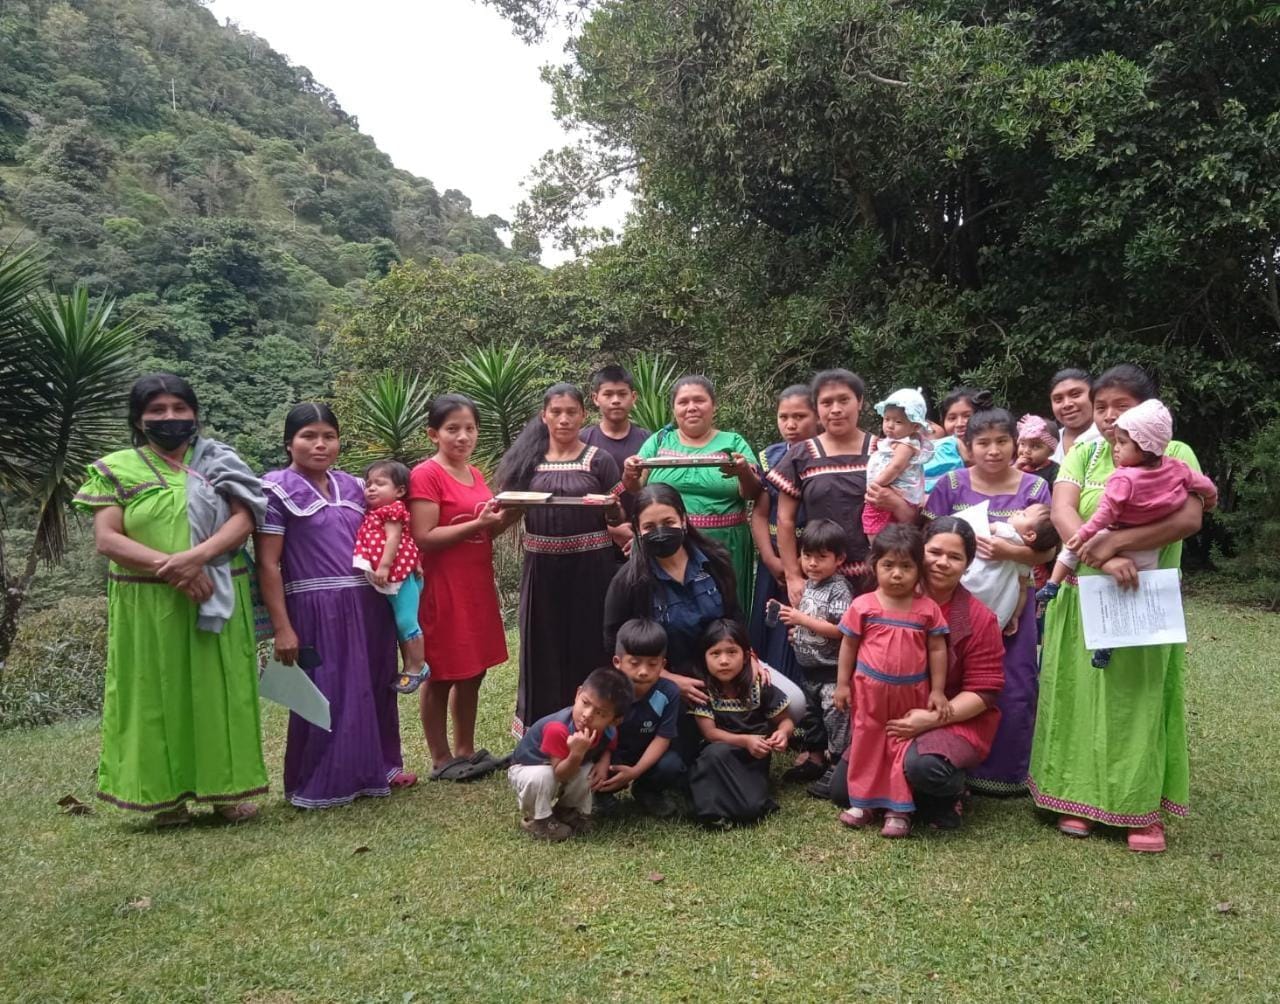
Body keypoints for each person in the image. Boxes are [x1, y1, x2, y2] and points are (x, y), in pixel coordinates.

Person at [74, 373, 268, 825]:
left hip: (217, 587)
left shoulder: (220, 461)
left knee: (222, 689)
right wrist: (175, 569)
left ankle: (228, 793)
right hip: (149, 602)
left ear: (195, 414)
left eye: (180, 409)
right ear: (139, 420)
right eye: (157, 411)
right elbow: (107, 539)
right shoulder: (115, 468)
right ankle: (165, 799)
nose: (170, 418)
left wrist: (197, 559)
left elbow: (245, 518)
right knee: (154, 692)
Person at [1030, 365, 1206, 853]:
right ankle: (1073, 799)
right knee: (1077, 695)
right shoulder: (1083, 454)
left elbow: (1190, 517)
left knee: (1137, 700)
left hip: (1145, 599)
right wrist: (1104, 560)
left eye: (1120, 407)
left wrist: (1116, 545)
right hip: (1085, 597)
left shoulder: (1175, 453)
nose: (1108, 417)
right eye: (1101, 406)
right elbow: (1063, 511)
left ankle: (1141, 809)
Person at [256, 403, 411, 809]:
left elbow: (393, 530)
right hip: (314, 603)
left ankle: (381, 767)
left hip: (368, 600)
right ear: (289, 442)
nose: (320, 444)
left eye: (329, 435)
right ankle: (324, 780)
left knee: (375, 684)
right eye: (308, 436)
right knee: (328, 690)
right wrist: (282, 627)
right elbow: (269, 563)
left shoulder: (358, 486)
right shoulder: (275, 489)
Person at [827, 519, 1006, 831]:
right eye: (934, 552)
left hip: (951, 717)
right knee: (842, 791)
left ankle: (949, 793)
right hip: (889, 713)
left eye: (955, 557)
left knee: (923, 766)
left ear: (967, 565)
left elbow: (985, 691)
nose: (941, 562)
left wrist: (931, 718)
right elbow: (853, 642)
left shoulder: (979, 618)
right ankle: (898, 798)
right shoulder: (886, 594)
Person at [923, 407, 1053, 796]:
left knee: (1015, 684)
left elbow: (1047, 552)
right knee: (951, 679)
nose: (993, 451)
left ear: (1015, 444)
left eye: (1001, 442)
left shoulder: (1035, 489)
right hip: (955, 604)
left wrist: (1008, 552)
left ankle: (1007, 772)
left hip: (1014, 604)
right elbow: (928, 540)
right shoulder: (949, 484)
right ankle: (945, 760)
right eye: (983, 443)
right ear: (968, 446)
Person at [1039, 397, 1216, 668]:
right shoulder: (1176, 467)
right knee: (1131, 591)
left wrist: (1088, 535)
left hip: (1115, 531)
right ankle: (1109, 643)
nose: (1116, 447)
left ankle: (1051, 584)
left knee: (1071, 550)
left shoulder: (1123, 477)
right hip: (1148, 548)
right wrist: (1211, 497)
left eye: (1122, 443)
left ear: (1144, 446)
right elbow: (1203, 485)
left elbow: (1104, 514)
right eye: (1101, 407)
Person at [497, 382, 632, 735]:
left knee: (590, 644)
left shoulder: (599, 459)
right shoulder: (529, 462)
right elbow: (508, 515)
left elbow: (615, 520)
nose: (563, 419)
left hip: (592, 568)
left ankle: (597, 726)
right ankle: (541, 730)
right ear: (544, 416)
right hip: (542, 568)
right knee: (543, 645)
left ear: (583, 415)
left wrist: (613, 508)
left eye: (571, 412)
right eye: (556, 412)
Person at [408, 394, 511, 782]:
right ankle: (440, 758)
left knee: (474, 669)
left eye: (469, 428)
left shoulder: (474, 473)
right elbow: (425, 536)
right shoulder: (426, 475)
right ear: (433, 433)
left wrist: (513, 512)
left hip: (476, 582)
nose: (462, 436)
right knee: (442, 672)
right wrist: (479, 523)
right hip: (441, 584)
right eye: (452, 429)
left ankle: (465, 750)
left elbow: (487, 530)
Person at [835, 525, 950, 838]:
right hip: (868, 692)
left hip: (912, 694)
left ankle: (898, 809)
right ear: (874, 567)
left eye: (906, 566)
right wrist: (842, 684)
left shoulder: (928, 609)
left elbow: (938, 649)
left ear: (918, 570)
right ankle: (862, 802)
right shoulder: (863, 605)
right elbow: (848, 644)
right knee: (866, 742)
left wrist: (938, 691)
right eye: (888, 565)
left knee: (901, 745)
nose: (897, 574)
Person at [621, 375, 759, 612]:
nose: (691, 407)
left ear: (713, 405)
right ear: (674, 409)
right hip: (666, 545)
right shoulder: (659, 441)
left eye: (699, 400)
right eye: (683, 402)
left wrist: (743, 471)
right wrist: (629, 472)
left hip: (725, 545)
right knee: (668, 613)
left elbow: (752, 492)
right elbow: (635, 488)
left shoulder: (733, 442)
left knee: (723, 616)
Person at [771, 369, 908, 603]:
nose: (836, 409)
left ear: (860, 402)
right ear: (817, 408)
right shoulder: (801, 455)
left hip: (879, 578)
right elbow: (785, 520)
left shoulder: (887, 452)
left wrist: (895, 503)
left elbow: (909, 516)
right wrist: (793, 576)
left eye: (844, 400)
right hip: (820, 581)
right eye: (826, 402)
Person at [603, 483, 743, 688]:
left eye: (669, 522)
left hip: (723, 668)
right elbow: (614, 644)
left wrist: (750, 659)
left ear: (683, 520)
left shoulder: (715, 561)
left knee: (794, 701)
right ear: (637, 530)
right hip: (659, 680)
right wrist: (667, 679)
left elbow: (735, 617)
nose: (660, 532)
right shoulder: (629, 581)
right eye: (649, 527)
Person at [507, 666, 633, 842]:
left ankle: (567, 811)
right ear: (578, 693)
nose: (587, 715)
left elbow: (609, 746)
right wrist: (576, 753)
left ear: (614, 721)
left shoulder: (608, 731)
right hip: (530, 767)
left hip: (567, 763)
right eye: (585, 703)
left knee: (590, 772)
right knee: (543, 777)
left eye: (600, 713)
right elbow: (560, 773)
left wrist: (603, 763)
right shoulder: (558, 729)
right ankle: (539, 819)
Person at [688, 619, 794, 827]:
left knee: (751, 808)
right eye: (715, 654)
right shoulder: (703, 689)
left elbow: (786, 721)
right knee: (714, 754)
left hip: (753, 758)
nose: (724, 661)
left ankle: (738, 805)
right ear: (704, 658)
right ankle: (711, 813)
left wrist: (783, 734)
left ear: (746, 656)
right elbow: (710, 734)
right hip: (716, 757)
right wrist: (745, 740)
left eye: (732, 652)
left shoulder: (759, 685)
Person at [774, 518, 853, 782]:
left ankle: (838, 765)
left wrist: (801, 620)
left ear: (839, 559)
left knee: (835, 718)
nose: (812, 564)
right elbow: (809, 620)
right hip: (808, 668)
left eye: (821, 557)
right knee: (812, 717)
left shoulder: (839, 589)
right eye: (807, 556)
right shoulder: (809, 586)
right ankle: (815, 758)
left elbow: (842, 630)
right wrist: (794, 626)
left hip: (831, 671)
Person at [748, 385, 818, 682]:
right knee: (773, 625)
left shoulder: (828, 455)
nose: (791, 425)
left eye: (800, 416)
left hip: (816, 557)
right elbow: (760, 513)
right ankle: (773, 697)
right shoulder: (770, 457)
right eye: (784, 417)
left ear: (817, 416)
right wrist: (768, 557)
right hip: (776, 559)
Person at [593, 618, 688, 816]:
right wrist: (603, 761)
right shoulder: (607, 688)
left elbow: (663, 738)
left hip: (645, 753)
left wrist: (635, 771)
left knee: (672, 764)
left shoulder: (669, 692)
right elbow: (598, 731)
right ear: (617, 662)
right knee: (590, 762)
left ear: (663, 664)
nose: (643, 672)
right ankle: (600, 794)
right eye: (634, 663)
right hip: (608, 752)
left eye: (652, 664)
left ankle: (647, 790)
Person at [352, 460, 429, 694]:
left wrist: (384, 567)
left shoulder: (391, 510)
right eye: (368, 484)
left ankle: (419, 666)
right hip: (399, 575)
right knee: (400, 623)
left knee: (407, 622)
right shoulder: (373, 513)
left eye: (380, 483)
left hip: (399, 575)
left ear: (400, 491)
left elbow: (395, 538)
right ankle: (410, 665)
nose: (371, 488)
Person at [961, 503, 1058, 632]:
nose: (1018, 511)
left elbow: (976, 530)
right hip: (993, 602)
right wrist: (1015, 615)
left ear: (1030, 535)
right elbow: (1022, 590)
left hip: (973, 584)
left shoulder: (1007, 531)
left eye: (1023, 514)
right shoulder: (1025, 561)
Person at [862, 388, 932, 538]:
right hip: (888, 491)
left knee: (875, 523)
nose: (890, 425)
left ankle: (876, 549)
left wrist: (876, 484)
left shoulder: (906, 444)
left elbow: (895, 467)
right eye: (887, 419)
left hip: (895, 490)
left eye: (898, 421)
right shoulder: (892, 442)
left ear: (915, 426)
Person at [581, 364, 651, 511]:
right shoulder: (582, 441)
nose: (616, 400)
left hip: (642, 527)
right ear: (595, 398)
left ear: (633, 397)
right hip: (597, 527)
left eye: (622, 394)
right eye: (608, 394)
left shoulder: (649, 441)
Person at [924, 387, 993, 490]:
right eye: (952, 418)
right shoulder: (938, 452)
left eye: (967, 416)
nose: (959, 424)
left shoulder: (998, 449)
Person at [1047, 368, 1101, 462]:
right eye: (1058, 399)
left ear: (1094, 395)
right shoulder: (1046, 443)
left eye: (1075, 395)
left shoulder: (1111, 437)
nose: (1067, 404)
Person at [1016, 414, 1060, 486]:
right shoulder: (1016, 467)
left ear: (1051, 452)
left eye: (1035, 447)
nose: (1026, 451)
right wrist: (1016, 470)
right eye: (1022, 444)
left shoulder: (1054, 470)